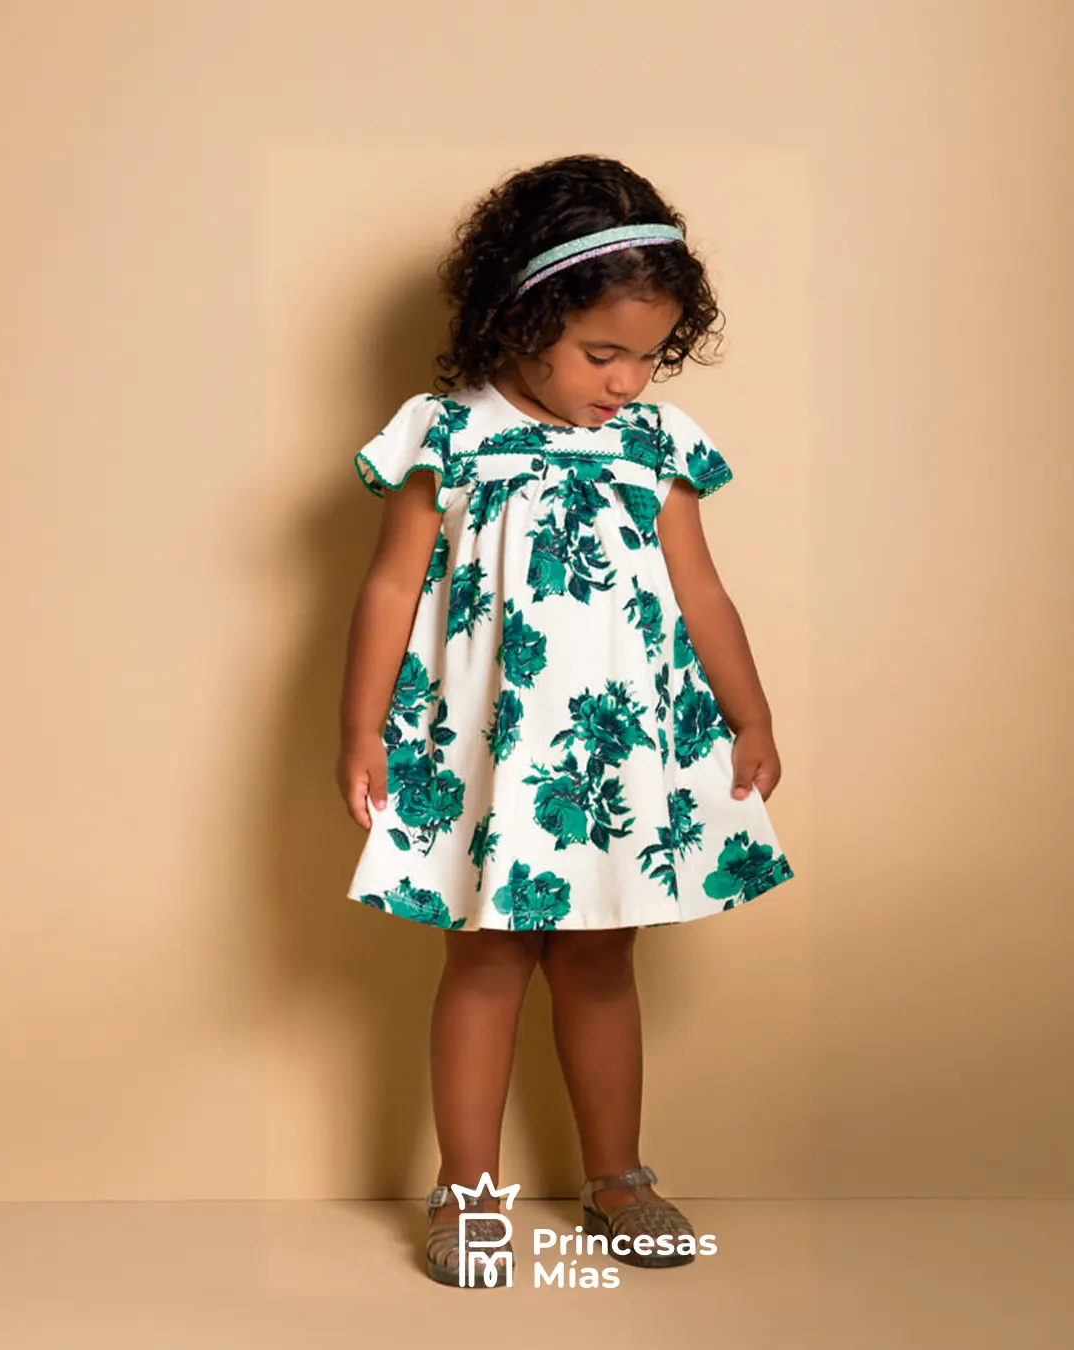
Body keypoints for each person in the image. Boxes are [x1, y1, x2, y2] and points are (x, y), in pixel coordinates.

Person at [334, 154, 795, 1287]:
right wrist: (360, 734)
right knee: (486, 960)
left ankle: (617, 1178)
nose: (627, 381)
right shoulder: (446, 435)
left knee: (600, 959)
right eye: (602, 354)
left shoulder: (657, 444)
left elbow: (701, 591)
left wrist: (750, 713)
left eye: (650, 356)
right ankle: (466, 1193)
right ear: (524, 317)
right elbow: (389, 588)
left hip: (619, 755)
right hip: (490, 755)